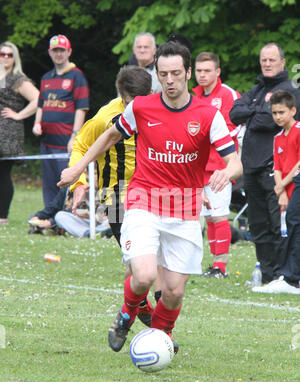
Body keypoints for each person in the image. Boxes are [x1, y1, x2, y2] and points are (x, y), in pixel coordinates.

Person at [58, 41, 243, 355]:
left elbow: (234, 159)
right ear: (157, 75)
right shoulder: (142, 107)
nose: (169, 80)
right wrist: (77, 168)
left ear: (188, 74)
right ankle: (125, 316)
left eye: (175, 73)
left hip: (185, 210)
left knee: (172, 293)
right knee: (143, 276)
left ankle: (160, 338)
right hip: (144, 202)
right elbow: (110, 135)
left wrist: (227, 172)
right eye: (163, 74)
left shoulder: (207, 115)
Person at [64, 65, 156, 326]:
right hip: (115, 197)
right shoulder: (106, 116)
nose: (133, 109)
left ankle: (144, 309)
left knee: (155, 262)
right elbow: (81, 146)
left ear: (151, 92)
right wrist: (79, 181)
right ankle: (142, 308)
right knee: (138, 262)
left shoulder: (159, 111)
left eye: (139, 102)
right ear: (120, 96)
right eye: (128, 103)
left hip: (153, 194)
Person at [230, 42, 300, 284]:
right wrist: (255, 110)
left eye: (272, 60)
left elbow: (270, 122)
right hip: (251, 166)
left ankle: (285, 274)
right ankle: (268, 275)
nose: (267, 64)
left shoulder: (289, 88)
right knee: (258, 225)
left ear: (282, 61)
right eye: (264, 60)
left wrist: (253, 112)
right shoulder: (258, 87)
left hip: (277, 169)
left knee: (277, 223)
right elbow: (234, 113)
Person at [192, 51, 241, 278]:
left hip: (220, 166)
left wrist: (206, 137)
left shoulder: (228, 94)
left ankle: (221, 267)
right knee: (207, 217)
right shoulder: (192, 95)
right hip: (196, 167)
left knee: (220, 215)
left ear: (217, 71)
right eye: (199, 71)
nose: (202, 75)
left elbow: (235, 128)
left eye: (207, 71)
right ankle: (213, 265)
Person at [33, 34, 89, 208]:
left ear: (69, 52)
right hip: (47, 141)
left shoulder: (76, 76)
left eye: (62, 50)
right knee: (49, 182)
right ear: (50, 52)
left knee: (66, 181)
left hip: (66, 141)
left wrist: (74, 136)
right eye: (55, 50)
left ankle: (65, 217)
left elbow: (81, 108)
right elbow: (41, 105)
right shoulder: (46, 78)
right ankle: (48, 216)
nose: (58, 54)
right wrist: (36, 123)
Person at [252, 90, 300, 293]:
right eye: (274, 113)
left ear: (293, 110)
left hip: (296, 184)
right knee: (286, 228)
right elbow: (277, 166)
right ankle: (285, 274)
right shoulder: (278, 137)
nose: (278, 117)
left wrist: (282, 185)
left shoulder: (298, 131)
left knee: (294, 225)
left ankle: (291, 276)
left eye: (282, 112)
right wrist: (280, 190)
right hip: (286, 189)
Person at [0, 41, 39, 225]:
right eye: (2, 54)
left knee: (3, 173)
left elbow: (38, 99)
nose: (6, 57)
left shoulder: (18, 79)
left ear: (14, 58)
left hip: (8, 134)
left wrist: (18, 115)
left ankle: (2, 216)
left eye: (9, 54)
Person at [28, 166, 111, 238]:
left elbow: (111, 213)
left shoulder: (107, 188)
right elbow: (53, 207)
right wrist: (37, 217)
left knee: (113, 219)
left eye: (96, 173)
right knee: (59, 216)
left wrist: (91, 216)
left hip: (102, 223)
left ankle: (99, 232)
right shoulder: (70, 189)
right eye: (84, 173)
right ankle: (87, 233)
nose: (89, 177)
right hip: (81, 223)